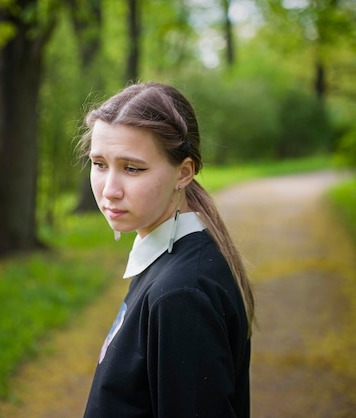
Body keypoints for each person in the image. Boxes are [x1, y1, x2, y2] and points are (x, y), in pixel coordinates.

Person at [79, 82, 254, 418]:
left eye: (132, 168)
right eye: (99, 164)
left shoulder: (183, 293)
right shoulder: (169, 258)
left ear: (183, 173)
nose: (110, 190)